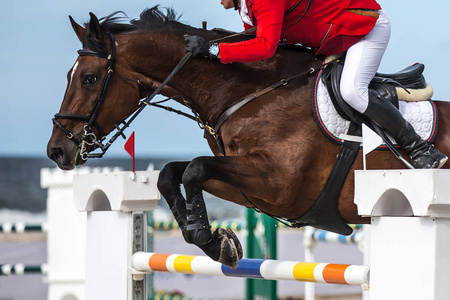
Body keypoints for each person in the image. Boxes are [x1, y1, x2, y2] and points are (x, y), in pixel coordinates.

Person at [184, 0, 448, 169]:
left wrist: (215, 50)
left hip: (363, 28)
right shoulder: (247, 8)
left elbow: (265, 47)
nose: (216, 1)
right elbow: (253, 41)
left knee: (352, 92)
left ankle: (421, 149)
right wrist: (213, 48)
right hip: (330, 39)